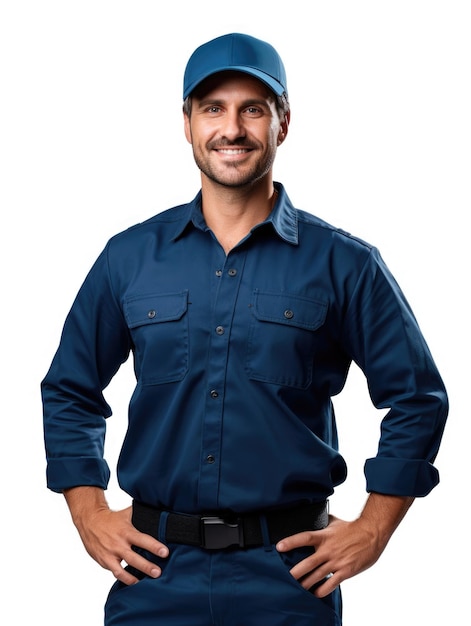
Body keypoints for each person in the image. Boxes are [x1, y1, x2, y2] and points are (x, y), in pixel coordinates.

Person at [41, 33, 448, 626]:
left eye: (252, 109)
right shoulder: (128, 259)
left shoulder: (345, 264)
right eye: (213, 108)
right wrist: (87, 511)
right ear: (187, 123)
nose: (231, 128)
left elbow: (418, 399)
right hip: (155, 576)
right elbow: (70, 389)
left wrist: (374, 529)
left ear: (283, 123)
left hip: (288, 582)